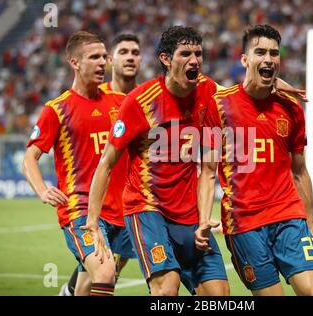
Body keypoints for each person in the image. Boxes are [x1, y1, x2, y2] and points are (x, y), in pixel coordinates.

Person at [82, 26, 230, 296]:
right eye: (185, 54)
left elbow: (243, 92)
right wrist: (93, 221)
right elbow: (106, 162)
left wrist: (279, 85)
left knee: (219, 294)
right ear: (166, 59)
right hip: (148, 209)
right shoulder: (140, 101)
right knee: (167, 288)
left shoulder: (208, 90)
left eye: (198, 54)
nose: (194, 60)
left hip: (189, 213)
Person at [196, 24, 313, 296]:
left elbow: (300, 172)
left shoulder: (291, 108)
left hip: (288, 214)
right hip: (244, 222)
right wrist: (203, 218)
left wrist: (311, 226)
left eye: (274, 53)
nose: (268, 59)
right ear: (245, 59)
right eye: (260, 52)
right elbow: (208, 171)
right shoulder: (219, 105)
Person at [22, 31, 128, 296]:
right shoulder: (57, 109)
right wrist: (42, 189)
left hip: (121, 211)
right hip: (80, 209)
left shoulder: (120, 103)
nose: (102, 63)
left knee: (90, 285)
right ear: (75, 63)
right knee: (105, 274)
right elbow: (29, 159)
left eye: (104, 57)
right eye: (94, 57)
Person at [59, 33, 141, 297]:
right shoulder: (95, 96)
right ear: (111, 60)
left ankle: (69, 292)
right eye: (123, 52)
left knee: (108, 270)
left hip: (127, 202)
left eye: (135, 52)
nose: (130, 58)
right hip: (94, 206)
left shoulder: (144, 98)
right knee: (104, 270)